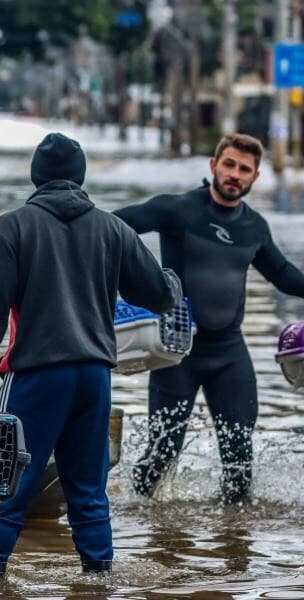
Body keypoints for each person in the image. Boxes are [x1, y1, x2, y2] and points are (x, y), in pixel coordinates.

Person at [0, 133, 181, 579]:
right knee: (89, 492)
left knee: (8, 483)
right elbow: (159, 294)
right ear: (81, 176)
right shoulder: (114, 229)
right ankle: (98, 579)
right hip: (94, 377)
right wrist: (174, 278)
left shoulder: (10, 228)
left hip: (36, 376)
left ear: (36, 176)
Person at [113, 133, 304, 504]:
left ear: (255, 177)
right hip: (175, 353)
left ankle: (233, 545)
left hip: (230, 355)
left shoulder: (254, 227)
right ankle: (144, 525)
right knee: (162, 453)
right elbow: (112, 228)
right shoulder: (178, 210)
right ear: (214, 165)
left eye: (244, 169)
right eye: (229, 164)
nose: (235, 174)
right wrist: (132, 280)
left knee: (239, 459)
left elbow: (284, 275)